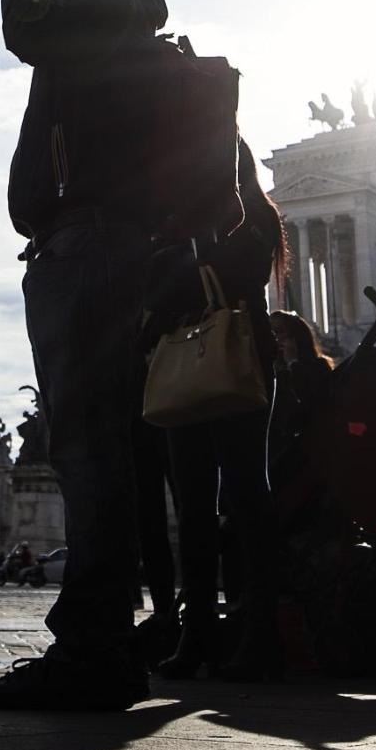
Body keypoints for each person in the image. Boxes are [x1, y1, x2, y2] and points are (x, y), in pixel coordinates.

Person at [0, 0, 180, 712]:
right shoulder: (120, 6)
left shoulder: (90, 1)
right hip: (105, 239)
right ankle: (103, 640)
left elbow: (24, 26)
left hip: (87, 240)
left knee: (88, 445)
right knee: (101, 445)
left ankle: (93, 647)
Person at [145, 157, 288, 681]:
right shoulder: (186, 221)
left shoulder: (250, 217)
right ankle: (198, 627)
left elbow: (222, 274)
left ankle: (259, 627)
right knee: (193, 502)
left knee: (248, 493)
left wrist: (176, 256)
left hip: (236, 356)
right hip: (191, 362)